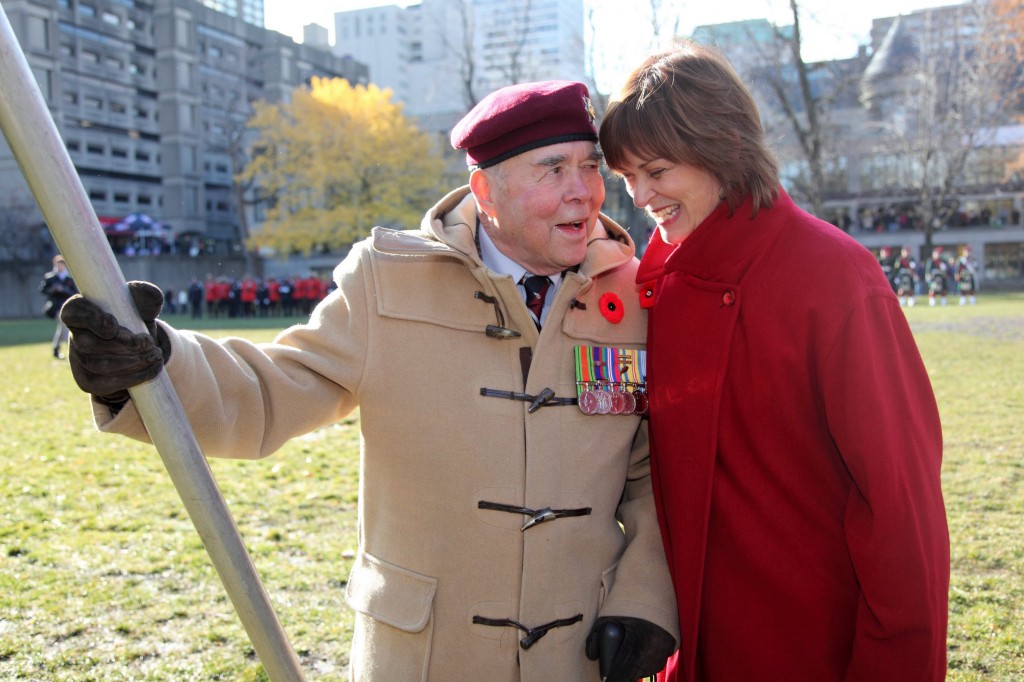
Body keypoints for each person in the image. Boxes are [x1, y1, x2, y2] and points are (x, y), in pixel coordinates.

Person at [60, 80, 678, 681]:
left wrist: (646, 599)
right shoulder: (387, 281)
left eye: (591, 167)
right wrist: (158, 363)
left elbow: (654, 474)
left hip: (581, 654)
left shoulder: (636, 293)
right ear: (486, 190)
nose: (585, 194)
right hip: (426, 656)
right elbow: (274, 390)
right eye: (553, 170)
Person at [598, 43, 949, 681]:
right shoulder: (660, 286)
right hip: (701, 652)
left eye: (656, 170)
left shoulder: (835, 277)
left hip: (814, 649)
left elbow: (903, 513)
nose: (641, 196)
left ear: (719, 147)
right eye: (627, 177)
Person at [39, 254, 78, 359]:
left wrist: (63, 290)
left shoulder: (69, 278)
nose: (60, 267)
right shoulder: (50, 277)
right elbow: (42, 290)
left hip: (67, 306)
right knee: (64, 326)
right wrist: (52, 289)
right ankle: (73, 350)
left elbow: (74, 293)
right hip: (55, 307)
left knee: (62, 328)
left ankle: (56, 349)